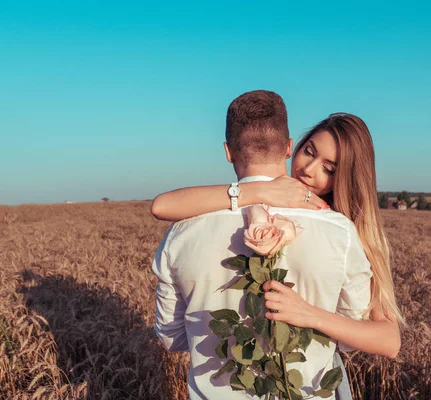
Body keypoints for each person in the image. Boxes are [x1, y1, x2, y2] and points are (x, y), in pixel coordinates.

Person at [152, 90, 397, 400]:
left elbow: (172, 339)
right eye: (310, 153)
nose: (309, 170)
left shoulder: (183, 229)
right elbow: (349, 334)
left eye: (329, 169)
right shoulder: (341, 233)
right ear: (289, 147)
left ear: (228, 151)